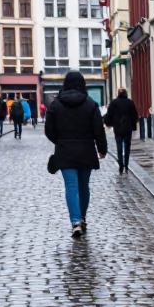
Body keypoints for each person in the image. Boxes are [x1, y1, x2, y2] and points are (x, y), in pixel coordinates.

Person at [46, 71, 106, 238]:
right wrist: (102, 149)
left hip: (65, 151)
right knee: (83, 186)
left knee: (71, 187)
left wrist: (59, 141)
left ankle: (75, 222)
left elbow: (48, 129)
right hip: (86, 150)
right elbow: (98, 130)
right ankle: (83, 217)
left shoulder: (56, 105)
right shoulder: (90, 104)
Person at [104, 87, 139, 174]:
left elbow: (109, 115)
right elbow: (134, 115)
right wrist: (133, 126)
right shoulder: (130, 103)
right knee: (127, 147)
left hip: (118, 128)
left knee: (119, 147)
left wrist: (109, 123)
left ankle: (121, 166)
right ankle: (126, 165)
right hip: (128, 129)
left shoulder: (114, 103)